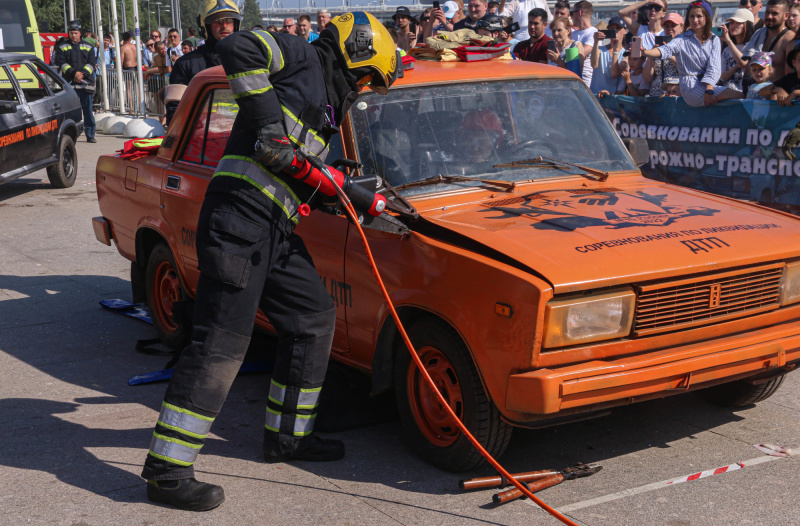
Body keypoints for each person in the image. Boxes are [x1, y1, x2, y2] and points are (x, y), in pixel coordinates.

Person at [139, 11, 399, 512]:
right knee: (220, 343)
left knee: (313, 318)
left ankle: (288, 437)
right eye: (366, 79)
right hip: (238, 218)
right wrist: (267, 125)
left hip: (275, 230)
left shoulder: (324, 107)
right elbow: (239, 50)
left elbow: (295, 166)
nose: (363, 91)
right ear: (356, 52)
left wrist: (345, 192)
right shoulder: (302, 57)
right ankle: (166, 470)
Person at [642, 0, 742, 106]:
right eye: (691, 16)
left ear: (707, 17)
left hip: (707, 85)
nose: (695, 20)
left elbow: (714, 68)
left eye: (699, 16)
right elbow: (665, 50)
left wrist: (709, 89)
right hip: (690, 87)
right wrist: (645, 52)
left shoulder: (714, 39)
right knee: (737, 97)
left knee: (739, 96)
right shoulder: (682, 39)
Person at [167, 0, 241, 124]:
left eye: (229, 20)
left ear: (236, 24)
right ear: (204, 26)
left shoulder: (248, 59)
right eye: (217, 21)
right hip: (203, 136)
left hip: (241, 135)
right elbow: (175, 111)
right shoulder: (185, 63)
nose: (224, 26)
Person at [52, 20, 97, 143]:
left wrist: (82, 74)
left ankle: (90, 134)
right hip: (70, 84)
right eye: (71, 33)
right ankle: (70, 134)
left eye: (75, 33)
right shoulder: (62, 46)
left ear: (80, 33)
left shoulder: (88, 46)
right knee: (69, 112)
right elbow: (60, 63)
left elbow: (92, 63)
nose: (73, 35)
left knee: (88, 110)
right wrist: (74, 73)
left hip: (85, 83)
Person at [740, 0, 794, 78]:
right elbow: (748, 68)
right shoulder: (759, 34)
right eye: (767, 12)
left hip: (775, 88)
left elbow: (790, 76)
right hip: (753, 87)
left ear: (786, 16)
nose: (769, 16)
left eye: (774, 13)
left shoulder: (789, 39)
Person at [642, 12, 683, 96]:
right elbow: (647, 78)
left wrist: (667, 53)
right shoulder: (660, 48)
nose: (669, 29)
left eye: (673, 25)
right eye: (667, 26)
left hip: (675, 96)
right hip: (656, 97)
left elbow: (685, 70)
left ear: (682, 27)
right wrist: (651, 55)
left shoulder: (685, 46)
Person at [718, 9, 755, 92]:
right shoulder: (727, 50)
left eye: (738, 22)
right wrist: (736, 67)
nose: (733, 26)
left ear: (747, 25)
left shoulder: (752, 47)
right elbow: (722, 77)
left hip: (745, 92)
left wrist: (728, 41)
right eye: (731, 22)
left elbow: (743, 62)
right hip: (726, 92)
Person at [590, 16, 626, 95]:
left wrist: (615, 50)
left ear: (625, 31)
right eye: (612, 29)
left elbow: (615, 73)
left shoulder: (626, 54)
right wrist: (596, 42)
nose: (615, 31)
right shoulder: (600, 49)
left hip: (613, 97)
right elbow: (594, 64)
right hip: (595, 95)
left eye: (618, 28)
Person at [570, 0, 597, 86]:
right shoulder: (572, 33)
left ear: (579, 13)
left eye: (572, 13)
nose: (571, 17)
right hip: (571, 76)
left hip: (585, 80)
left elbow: (581, 53)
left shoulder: (593, 32)